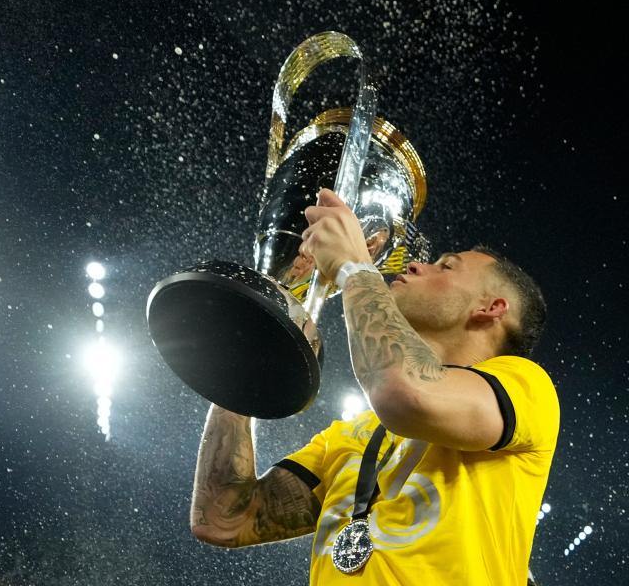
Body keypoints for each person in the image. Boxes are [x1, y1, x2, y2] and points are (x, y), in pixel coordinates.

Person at [190, 188, 558, 585]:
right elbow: (223, 517)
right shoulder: (347, 437)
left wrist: (353, 267)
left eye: (446, 267)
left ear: (492, 308)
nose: (418, 265)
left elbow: (407, 393)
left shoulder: (525, 387)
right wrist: (242, 371)